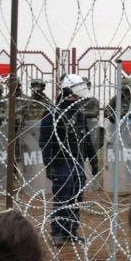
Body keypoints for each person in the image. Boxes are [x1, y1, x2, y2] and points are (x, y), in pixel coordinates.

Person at [40, 73, 93, 246]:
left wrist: (93, 159)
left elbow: (87, 138)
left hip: (77, 160)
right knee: (62, 197)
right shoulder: (52, 113)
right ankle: (58, 232)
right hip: (61, 161)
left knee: (76, 197)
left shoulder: (79, 113)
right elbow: (45, 142)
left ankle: (71, 231)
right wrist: (49, 165)